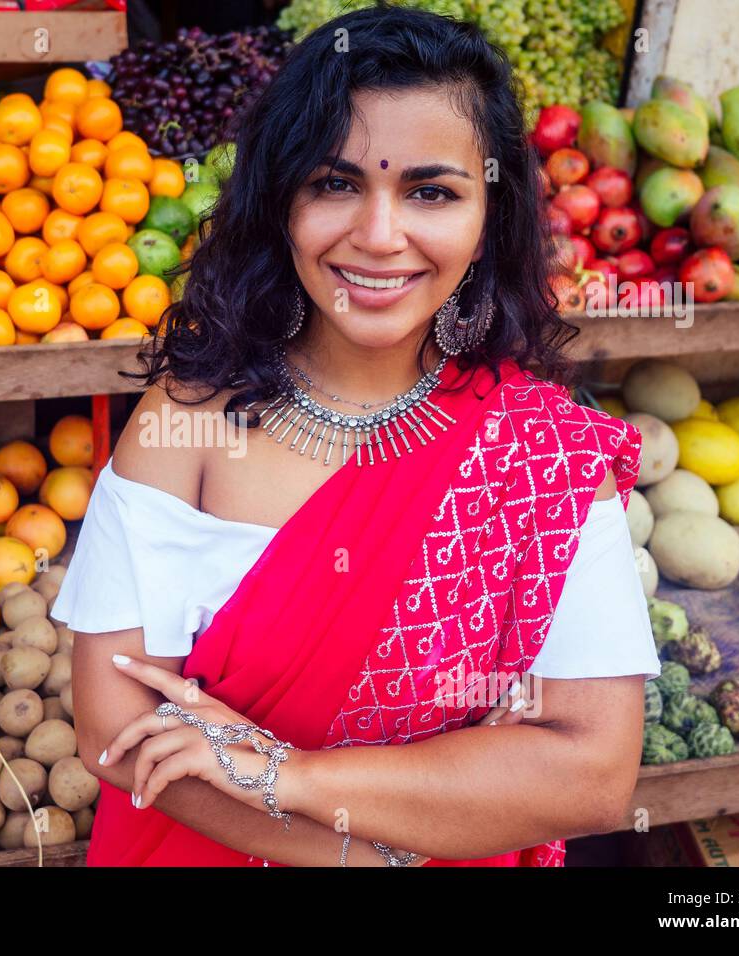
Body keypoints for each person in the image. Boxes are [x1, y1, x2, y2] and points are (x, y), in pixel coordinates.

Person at [51, 5, 660, 867]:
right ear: (280, 200)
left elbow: (589, 774)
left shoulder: (544, 456)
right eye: (335, 184)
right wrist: (365, 854)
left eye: (432, 192)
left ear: (492, 214)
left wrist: (289, 777)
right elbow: (117, 735)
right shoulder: (186, 420)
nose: (379, 237)